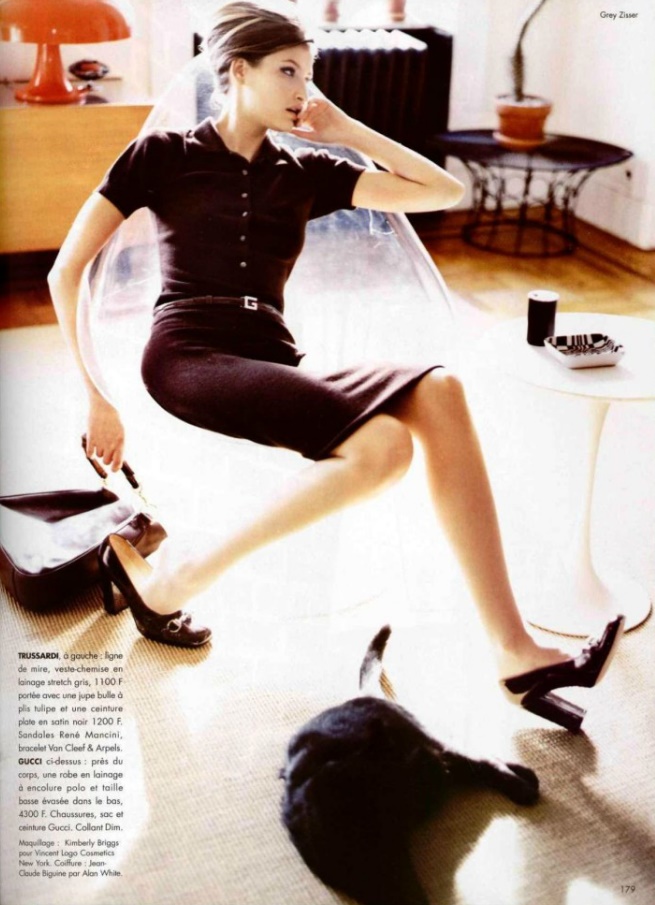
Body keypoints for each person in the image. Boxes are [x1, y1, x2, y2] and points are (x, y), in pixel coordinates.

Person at [48, 1, 622, 729]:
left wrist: (348, 130)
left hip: (272, 354)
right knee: (384, 447)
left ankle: (513, 652)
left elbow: (445, 192)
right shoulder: (162, 155)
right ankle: (174, 581)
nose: (303, 90)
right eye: (288, 72)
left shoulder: (306, 170)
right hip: (189, 352)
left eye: (309, 74)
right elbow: (65, 272)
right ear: (237, 72)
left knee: (438, 391)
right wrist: (96, 395)